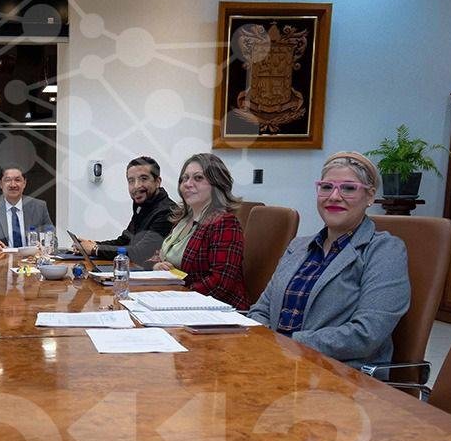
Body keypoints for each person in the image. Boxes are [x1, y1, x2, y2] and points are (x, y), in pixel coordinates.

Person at [247, 151, 410, 369]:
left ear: (370, 196)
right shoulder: (298, 246)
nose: (334, 196)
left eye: (348, 188)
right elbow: (261, 309)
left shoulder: (384, 250)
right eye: (326, 187)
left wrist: (287, 343)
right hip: (274, 361)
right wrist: (264, 343)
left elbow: (366, 334)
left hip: (336, 374)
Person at [151, 153, 248, 309]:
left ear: (217, 184)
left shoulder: (224, 223)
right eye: (184, 178)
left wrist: (178, 296)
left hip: (216, 312)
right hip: (180, 302)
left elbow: (220, 283)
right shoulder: (183, 219)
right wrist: (157, 266)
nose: (188, 184)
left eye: (198, 178)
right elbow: (162, 255)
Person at [77, 156, 177, 267]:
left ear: (157, 182)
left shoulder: (166, 211)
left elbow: (141, 252)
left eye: (143, 179)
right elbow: (124, 240)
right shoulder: (143, 206)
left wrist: (96, 249)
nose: (136, 186)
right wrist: (92, 244)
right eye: (131, 181)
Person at [0, 165, 53, 251]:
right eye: (8, 180)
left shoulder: (39, 207)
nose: (13, 185)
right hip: (1, 258)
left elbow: (52, 237)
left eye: (17, 180)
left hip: (31, 258)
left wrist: (44, 244)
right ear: (0, 183)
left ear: (24, 183)